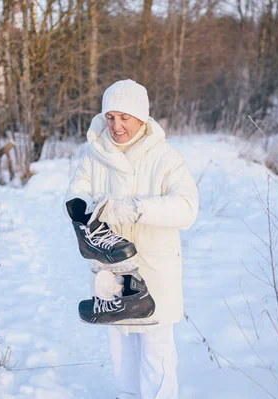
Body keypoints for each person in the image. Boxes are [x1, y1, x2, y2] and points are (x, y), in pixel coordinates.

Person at [64, 79, 199, 398]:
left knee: (157, 363)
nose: (117, 126)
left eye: (124, 117)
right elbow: (77, 189)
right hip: (111, 276)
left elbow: (187, 208)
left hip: (153, 274)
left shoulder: (165, 157)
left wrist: (135, 209)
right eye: (110, 117)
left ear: (141, 117)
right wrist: (83, 210)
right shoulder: (95, 152)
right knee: (122, 362)